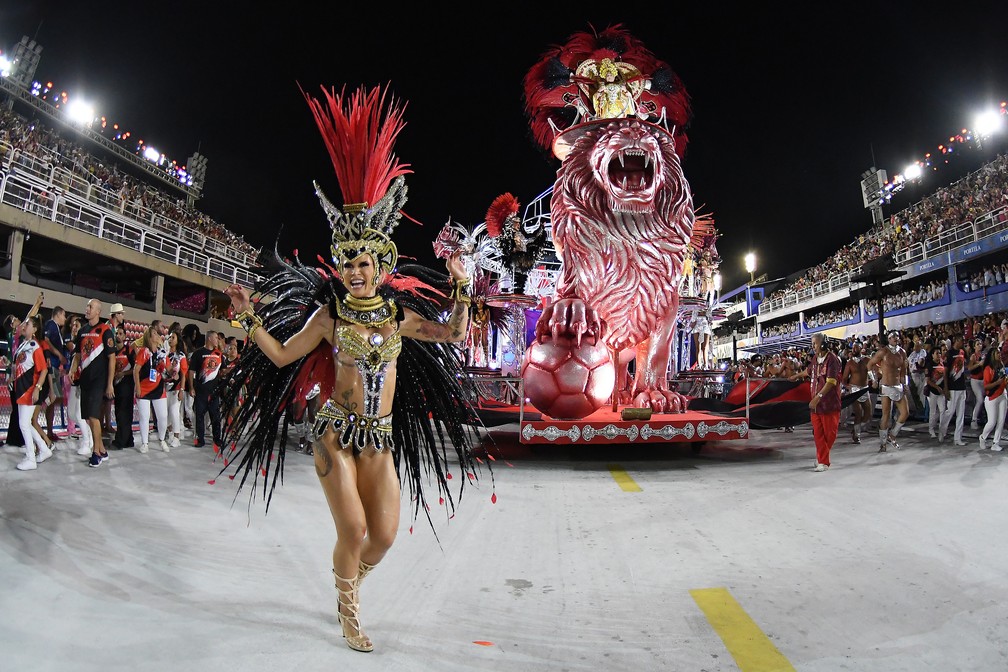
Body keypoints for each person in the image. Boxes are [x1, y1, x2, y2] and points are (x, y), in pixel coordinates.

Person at [219, 83, 486, 654]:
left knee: (383, 537)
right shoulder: (329, 316)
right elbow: (282, 355)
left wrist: (462, 285)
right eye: (346, 262)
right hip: (335, 435)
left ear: (380, 263)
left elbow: (456, 333)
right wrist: (247, 320)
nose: (354, 271)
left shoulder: (399, 317)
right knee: (354, 529)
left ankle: (350, 581)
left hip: (380, 439)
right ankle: (348, 610)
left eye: (362, 262)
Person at [69, 298, 116, 467]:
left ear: (98, 312)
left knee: (94, 417)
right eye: (87, 306)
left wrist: (109, 383)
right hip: (85, 380)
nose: (87, 309)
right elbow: (78, 354)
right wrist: (72, 369)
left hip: (99, 381)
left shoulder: (105, 331)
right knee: (88, 418)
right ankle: (102, 450)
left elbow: (112, 358)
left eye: (91, 307)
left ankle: (96, 453)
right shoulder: (82, 331)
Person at [790, 333, 840, 471]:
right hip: (815, 405)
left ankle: (822, 457)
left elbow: (831, 382)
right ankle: (823, 462)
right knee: (818, 434)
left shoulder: (832, 360)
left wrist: (818, 397)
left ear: (823, 344)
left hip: (828, 404)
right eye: (812, 344)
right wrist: (796, 376)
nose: (812, 346)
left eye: (815, 344)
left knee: (830, 434)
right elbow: (808, 371)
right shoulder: (815, 359)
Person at [12, 316, 53, 471]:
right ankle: (44, 449)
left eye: (27, 324)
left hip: (29, 389)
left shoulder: (35, 346)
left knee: (23, 424)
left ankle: (31, 458)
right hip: (21, 388)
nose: (24, 325)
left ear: (34, 329)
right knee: (26, 423)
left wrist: (37, 388)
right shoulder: (24, 344)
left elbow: (44, 369)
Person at [867, 329, 911, 452]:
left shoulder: (902, 352)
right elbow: (869, 365)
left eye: (897, 336)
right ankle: (883, 444)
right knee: (886, 415)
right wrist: (874, 380)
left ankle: (892, 435)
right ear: (889, 339)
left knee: (905, 413)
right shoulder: (883, 351)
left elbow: (904, 371)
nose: (896, 338)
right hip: (886, 386)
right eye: (893, 337)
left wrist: (905, 384)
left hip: (898, 386)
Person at [132, 325, 169, 453]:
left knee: (163, 416)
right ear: (149, 337)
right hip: (144, 389)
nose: (157, 335)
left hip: (158, 388)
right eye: (154, 333)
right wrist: (137, 387)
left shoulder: (162, 353)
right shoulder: (144, 352)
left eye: (157, 333)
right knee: (145, 416)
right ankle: (144, 443)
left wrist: (173, 372)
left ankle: (162, 439)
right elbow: (136, 370)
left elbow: (169, 369)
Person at [187, 330, 222, 449]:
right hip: (201, 390)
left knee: (216, 416)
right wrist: (191, 387)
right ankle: (200, 439)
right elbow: (191, 371)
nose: (217, 340)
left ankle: (217, 439)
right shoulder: (198, 353)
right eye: (216, 337)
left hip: (214, 391)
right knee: (199, 416)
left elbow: (223, 370)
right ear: (209, 339)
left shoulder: (218, 354)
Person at [41, 305, 67, 443]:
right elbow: (46, 341)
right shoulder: (51, 325)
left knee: (56, 398)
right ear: (58, 314)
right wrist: (58, 354)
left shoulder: (56, 327)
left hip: (55, 367)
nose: (65, 318)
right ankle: (41, 404)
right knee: (55, 397)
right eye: (64, 315)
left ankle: (50, 431)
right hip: (51, 367)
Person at [938, 334, 968, 446]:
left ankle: (957, 438)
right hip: (952, 387)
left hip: (961, 386)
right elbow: (945, 371)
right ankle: (942, 431)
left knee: (961, 413)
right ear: (956, 340)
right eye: (961, 340)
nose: (962, 343)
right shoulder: (949, 354)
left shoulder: (962, 352)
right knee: (950, 411)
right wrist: (946, 387)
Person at [110, 323, 136, 450]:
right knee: (118, 412)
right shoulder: (113, 352)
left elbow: (136, 369)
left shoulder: (129, 350)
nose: (118, 336)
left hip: (127, 386)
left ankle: (120, 440)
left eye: (120, 334)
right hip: (117, 386)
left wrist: (124, 373)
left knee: (124, 413)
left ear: (125, 336)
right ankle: (128, 439)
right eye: (116, 333)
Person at [841, 340, 871, 444]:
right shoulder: (849, 363)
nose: (854, 349)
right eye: (853, 347)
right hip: (854, 390)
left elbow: (873, 371)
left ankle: (856, 429)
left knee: (868, 414)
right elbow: (844, 379)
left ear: (861, 348)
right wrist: (847, 386)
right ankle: (857, 435)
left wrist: (875, 379)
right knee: (858, 413)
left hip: (864, 389)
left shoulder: (867, 360)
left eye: (856, 347)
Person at [163, 327, 188, 448]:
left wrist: (181, 390)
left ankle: (177, 437)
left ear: (178, 341)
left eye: (173, 338)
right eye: (169, 337)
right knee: (165, 413)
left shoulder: (181, 356)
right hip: (165, 387)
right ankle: (170, 433)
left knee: (174, 411)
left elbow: (183, 374)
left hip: (176, 388)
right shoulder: (165, 354)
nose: (170, 340)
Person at [978, 347, 1007, 451]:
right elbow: (986, 386)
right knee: (992, 422)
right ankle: (983, 437)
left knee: (1001, 420)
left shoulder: (1001, 365)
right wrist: (997, 383)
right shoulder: (988, 369)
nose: (999, 355)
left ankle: (996, 443)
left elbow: (1004, 380)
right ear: (992, 356)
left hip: (1003, 394)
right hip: (992, 397)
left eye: (1000, 353)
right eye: (997, 353)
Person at [925, 347, 947, 439]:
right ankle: (931, 429)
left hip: (941, 392)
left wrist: (944, 388)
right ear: (932, 355)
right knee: (933, 411)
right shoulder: (929, 365)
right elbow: (928, 380)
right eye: (937, 353)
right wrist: (936, 387)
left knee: (942, 410)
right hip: (932, 391)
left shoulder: (942, 364)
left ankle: (942, 429)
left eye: (939, 353)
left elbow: (945, 377)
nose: (939, 355)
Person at [968, 338, 986, 429]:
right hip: (975, 380)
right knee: (980, 399)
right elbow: (969, 368)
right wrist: (978, 364)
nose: (979, 346)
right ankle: (973, 420)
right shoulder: (973, 356)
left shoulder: (983, 355)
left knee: (983, 400)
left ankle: (982, 418)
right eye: (978, 344)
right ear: (974, 346)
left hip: (983, 380)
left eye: (980, 344)